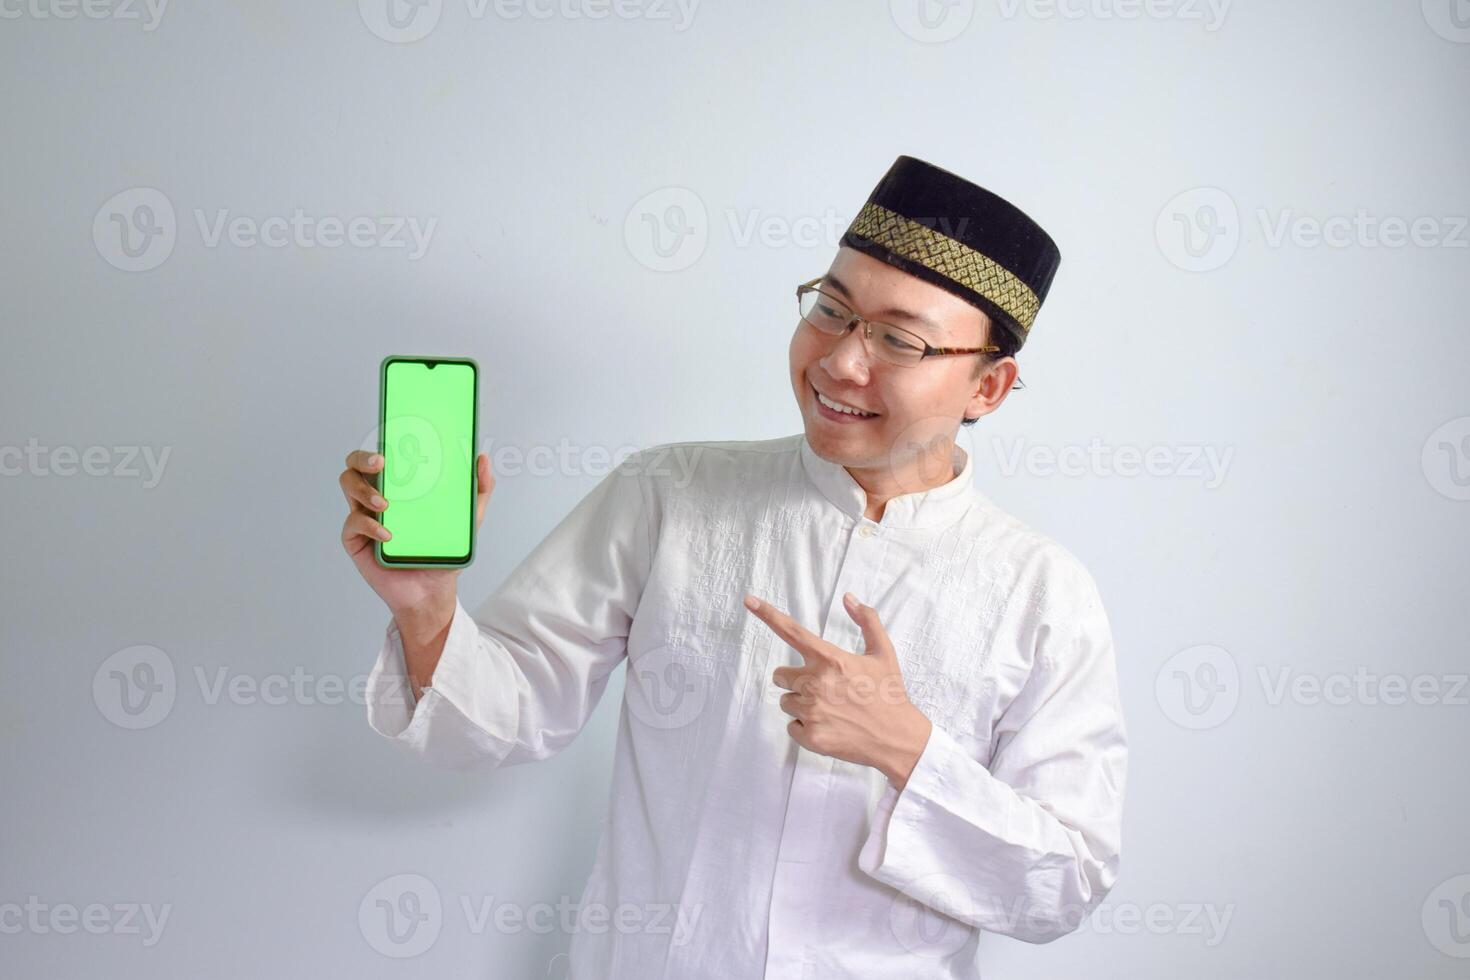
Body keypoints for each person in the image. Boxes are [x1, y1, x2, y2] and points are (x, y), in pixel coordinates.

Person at [338, 155, 1128, 978]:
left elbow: (1064, 886)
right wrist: (426, 607)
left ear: (989, 388)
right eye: (832, 308)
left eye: (899, 338)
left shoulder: (1043, 592)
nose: (841, 362)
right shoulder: (671, 493)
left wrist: (908, 749)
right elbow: (497, 720)